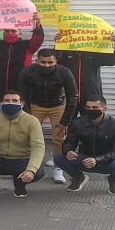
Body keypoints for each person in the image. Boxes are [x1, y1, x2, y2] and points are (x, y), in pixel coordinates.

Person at [0, 90, 45, 203]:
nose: (11, 103)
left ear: (22, 104)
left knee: (38, 171)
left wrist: (31, 170)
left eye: (15, 101)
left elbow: (38, 147)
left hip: (21, 159)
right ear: (1, 103)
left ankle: (20, 185)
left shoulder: (32, 121)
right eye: (7, 100)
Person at [18, 48, 78, 184]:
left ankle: (58, 168)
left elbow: (73, 97)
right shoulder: (27, 72)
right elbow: (22, 95)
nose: (47, 65)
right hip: (35, 105)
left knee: (59, 137)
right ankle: (30, 166)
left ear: (56, 60)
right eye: (43, 62)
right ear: (37, 61)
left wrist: (65, 121)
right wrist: (28, 116)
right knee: (28, 135)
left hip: (57, 105)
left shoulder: (64, 72)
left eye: (50, 62)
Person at [53, 95, 115, 195]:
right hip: (84, 159)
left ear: (104, 109)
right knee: (59, 158)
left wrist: (97, 160)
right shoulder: (78, 122)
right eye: (88, 107)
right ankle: (79, 178)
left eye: (95, 108)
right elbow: (69, 142)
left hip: (105, 161)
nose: (91, 110)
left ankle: (113, 181)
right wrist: (68, 151)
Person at [54, 32, 115, 117]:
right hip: (69, 95)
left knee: (91, 123)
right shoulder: (66, 50)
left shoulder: (94, 50)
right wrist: (58, 45)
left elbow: (111, 61)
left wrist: (112, 46)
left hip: (91, 93)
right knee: (67, 124)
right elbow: (55, 61)